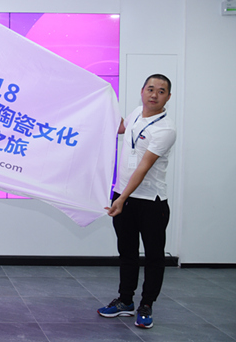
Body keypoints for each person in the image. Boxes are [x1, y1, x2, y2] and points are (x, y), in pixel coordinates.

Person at [97, 74, 176, 329]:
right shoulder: (135, 114)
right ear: (142, 91)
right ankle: (125, 301)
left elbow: (143, 168)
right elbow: (121, 128)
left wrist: (122, 198)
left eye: (161, 91)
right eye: (150, 89)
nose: (154, 94)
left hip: (151, 202)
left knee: (153, 256)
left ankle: (146, 305)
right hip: (123, 197)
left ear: (168, 97)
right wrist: (101, 99)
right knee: (127, 253)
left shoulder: (166, 129)